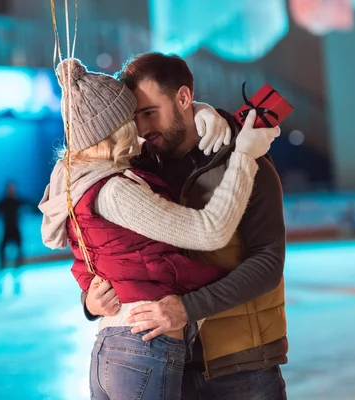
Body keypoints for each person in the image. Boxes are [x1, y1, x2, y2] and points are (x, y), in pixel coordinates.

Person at [38, 58, 280, 400]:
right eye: (134, 117)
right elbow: (108, 252)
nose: (141, 128)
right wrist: (90, 301)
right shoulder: (137, 170)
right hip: (166, 358)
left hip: (240, 364)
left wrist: (188, 308)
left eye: (150, 112)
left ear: (184, 98)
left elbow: (267, 266)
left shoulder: (246, 164)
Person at [0, 182, 31, 296]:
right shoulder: (2, 202)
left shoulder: (18, 201)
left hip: (16, 233)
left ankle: (16, 281)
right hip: (6, 233)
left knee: (19, 257)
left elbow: (33, 206)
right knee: (2, 258)